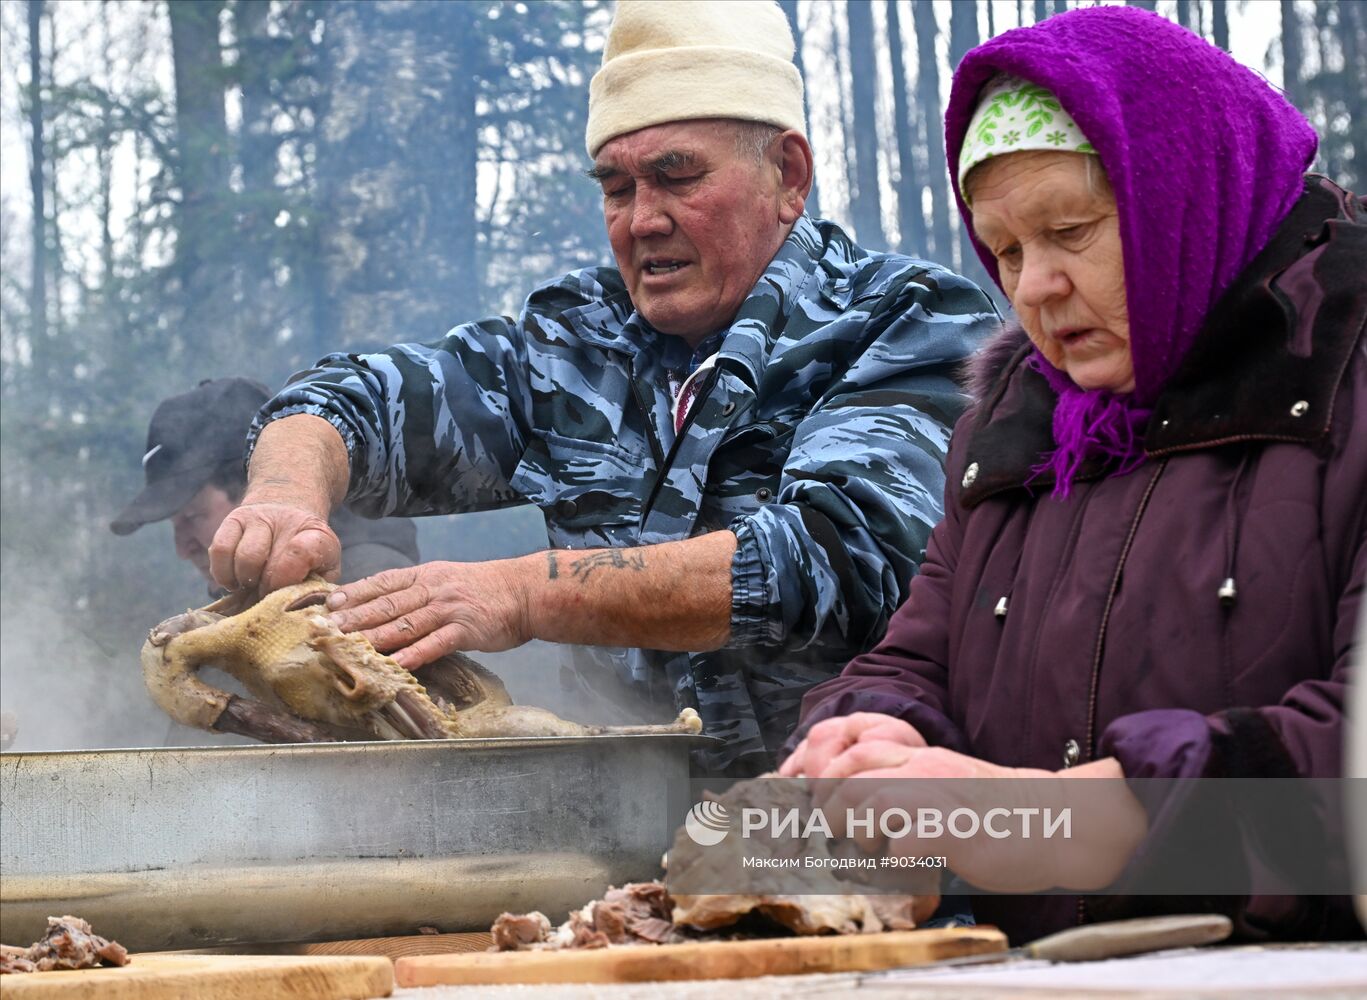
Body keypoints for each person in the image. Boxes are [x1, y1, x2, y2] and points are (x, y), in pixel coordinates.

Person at [205, 0, 998, 776]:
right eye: (616, 189)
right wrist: (285, 496)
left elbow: (836, 551)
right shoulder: (577, 339)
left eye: (676, 176)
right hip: (615, 845)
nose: (641, 219)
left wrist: (523, 593)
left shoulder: (908, 321)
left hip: (856, 834)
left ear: (787, 175)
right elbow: (350, 397)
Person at [782, 6, 1364, 940]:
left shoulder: (1348, 376)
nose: (1032, 287)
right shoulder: (1019, 422)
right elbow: (918, 653)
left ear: (1186, 195)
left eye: (1072, 229)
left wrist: (1044, 828)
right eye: (1005, 249)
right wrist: (878, 731)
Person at [111, 377, 420, 587]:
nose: (182, 548)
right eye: (174, 524)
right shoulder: (246, 594)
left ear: (255, 489)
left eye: (193, 517)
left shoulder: (366, 587)